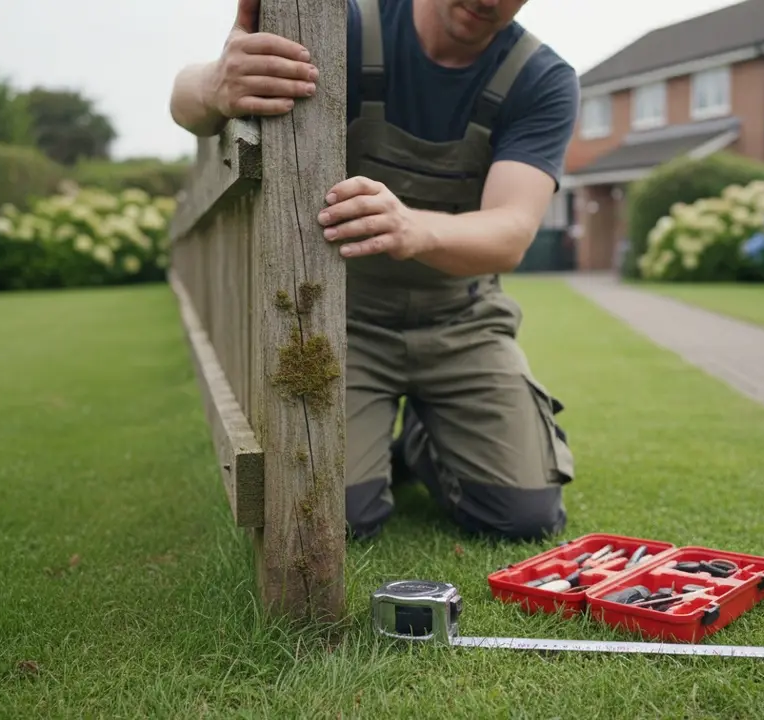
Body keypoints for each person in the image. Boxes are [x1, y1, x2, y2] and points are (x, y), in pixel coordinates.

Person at [168, 0, 577, 541]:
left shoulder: (540, 78)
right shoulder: (349, 30)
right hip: (343, 325)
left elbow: (511, 233)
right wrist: (215, 85)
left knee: (522, 517)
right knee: (335, 517)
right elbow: (183, 100)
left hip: (464, 325)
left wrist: (413, 228)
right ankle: (382, 441)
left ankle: (424, 441)